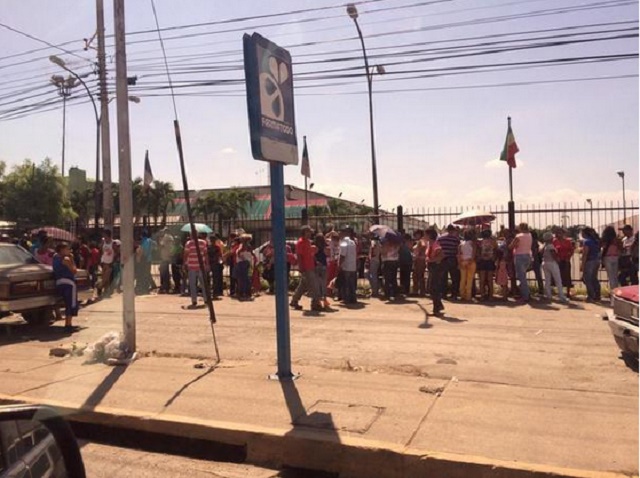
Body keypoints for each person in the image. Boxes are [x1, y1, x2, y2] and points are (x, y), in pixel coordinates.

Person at [290, 225, 321, 311]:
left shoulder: (307, 242)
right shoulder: (300, 242)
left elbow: (309, 254)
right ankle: (315, 304)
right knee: (315, 286)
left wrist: (314, 260)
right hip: (306, 267)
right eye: (309, 231)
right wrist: (301, 266)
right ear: (304, 232)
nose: (310, 233)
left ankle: (294, 301)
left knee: (303, 286)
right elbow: (299, 256)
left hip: (310, 266)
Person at [52, 242, 78, 331]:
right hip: (69, 283)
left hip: (59, 282)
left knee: (67, 303)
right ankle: (68, 324)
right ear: (62, 250)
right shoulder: (66, 259)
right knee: (71, 304)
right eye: (67, 249)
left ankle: (68, 324)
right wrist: (72, 260)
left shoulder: (55, 257)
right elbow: (74, 270)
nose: (69, 251)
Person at [183, 232, 209, 309]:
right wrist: (207, 264)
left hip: (192, 266)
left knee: (193, 284)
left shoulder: (188, 243)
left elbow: (186, 254)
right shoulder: (203, 242)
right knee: (203, 284)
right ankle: (206, 299)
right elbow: (205, 254)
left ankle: (194, 300)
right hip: (201, 266)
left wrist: (184, 263)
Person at [541, 232, 568, 303]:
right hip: (552, 263)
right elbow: (553, 254)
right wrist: (558, 260)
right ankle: (561, 296)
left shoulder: (544, 246)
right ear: (550, 238)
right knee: (558, 280)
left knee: (547, 280)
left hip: (545, 262)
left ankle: (548, 295)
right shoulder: (550, 246)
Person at [510, 223, 533, 303]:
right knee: (522, 276)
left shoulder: (519, 236)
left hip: (519, 256)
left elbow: (511, 246)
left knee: (521, 277)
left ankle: (525, 296)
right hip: (527, 256)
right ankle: (526, 293)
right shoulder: (529, 235)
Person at [437, 225, 461, 300]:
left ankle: (443, 294)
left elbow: (437, 248)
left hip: (443, 259)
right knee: (454, 278)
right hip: (452, 258)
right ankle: (454, 294)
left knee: (443, 278)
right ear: (453, 231)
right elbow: (458, 249)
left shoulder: (440, 238)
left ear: (447, 230)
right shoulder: (456, 239)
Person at [426, 228, 445, 314]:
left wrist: (431, 260)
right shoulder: (429, 244)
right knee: (432, 287)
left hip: (436, 267)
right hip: (432, 267)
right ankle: (438, 305)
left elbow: (441, 255)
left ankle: (436, 308)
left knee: (433, 288)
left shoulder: (435, 245)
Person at [600, 225, 621, 303]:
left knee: (611, 277)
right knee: (615, 277)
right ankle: (617, 296)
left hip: (607, 258)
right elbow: (620, 249)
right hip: (615, 257)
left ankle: (613, 298)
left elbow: (602, 249)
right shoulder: (616, 240)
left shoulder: (604, 240)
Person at [552, 228, 575, 299]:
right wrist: (556, 258)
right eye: (558, 233)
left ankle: (568, 292)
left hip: (566, 260)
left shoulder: (568, 241)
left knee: (567, 276)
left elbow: (571, 250)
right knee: (558, 276)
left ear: (563, 234)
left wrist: (569, 257)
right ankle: (560, 292)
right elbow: (552, 250)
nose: (559, 234)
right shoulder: (554, 241)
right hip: (557, 261)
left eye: (561, 233)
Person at [580, 227, 601, 302]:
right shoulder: (595, 241)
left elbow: (585, 254)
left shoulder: (586, 242)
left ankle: (591, 296)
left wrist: (582, 264)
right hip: (596, 261)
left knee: (587, 279)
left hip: (589, 261)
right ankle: (597, 294)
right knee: (594, 278)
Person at [339, 226, 358, 304]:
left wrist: (339, 265)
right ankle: (353, 298)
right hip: (352, 266)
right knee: (352, 284)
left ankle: (346, 299)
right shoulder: (352, 242)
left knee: (346, 283)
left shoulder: (344, 242)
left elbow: (343, 255)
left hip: (346, 266)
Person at [477, 229, 497, 301]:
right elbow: (496, 250)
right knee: (490, 279)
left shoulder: (480, 242)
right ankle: (490, 296)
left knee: (482, 279)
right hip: (490, 261)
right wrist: (494, 258)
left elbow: (478, 251)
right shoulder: (493, 241)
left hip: (482, 261)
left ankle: (482, 295)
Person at [458, 229, 477, 301]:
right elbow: (474, 253)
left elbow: (459, 254)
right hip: (470, 262)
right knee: (469, 279)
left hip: (463, 261)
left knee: (462, 279)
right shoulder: (473, 243)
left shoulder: (461, 244)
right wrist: (471, 260)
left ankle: (462, 294)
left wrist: (459, 263)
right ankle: (468, 296)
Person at [235, 234, 254, 300]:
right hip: (244, 263)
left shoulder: (244, 246)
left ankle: (243, 293)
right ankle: (245, 293)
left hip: (243, 263)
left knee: (243, 278)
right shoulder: (246, 246)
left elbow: (239, 253)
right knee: (245, 278)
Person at [380, 236, 400, 301]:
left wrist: (383, 249)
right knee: (393, 278)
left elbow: (384, 253)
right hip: (395, 262)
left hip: (387, 262)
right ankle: (394, 293)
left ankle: (387, 294)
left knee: (387, 278)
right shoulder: (396, 245)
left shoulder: (386, 245)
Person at [314, 233, 330, 309]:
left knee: (317, 284)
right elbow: (328, 254)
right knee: (323, 284)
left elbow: (312, 255)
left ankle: (318, 301)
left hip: (316, 266)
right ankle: (325, 300)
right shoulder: (325, 246)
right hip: (323, 265)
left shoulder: (314, 246)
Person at [100, 230, 115, 298]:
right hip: (103, 262)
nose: (104, 237)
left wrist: (113, 261)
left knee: (106, 278)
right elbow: (101, 250)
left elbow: (116, 252)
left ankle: (99, 287)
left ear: (109, 236)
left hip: (110, 263)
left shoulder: (113, 243)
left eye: (105, 236)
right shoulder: (103, 242)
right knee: (105, 278)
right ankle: (106, 292)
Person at [158, 229, 174, 294]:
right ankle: (167, 286)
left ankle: (165, 286)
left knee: (163, 272)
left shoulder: (166, 237)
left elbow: (162, 245)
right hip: (167, 256)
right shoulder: (171, 237)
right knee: (165, 272)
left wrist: (159, 240)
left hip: (165, 257)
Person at [412, 230, 427, 297]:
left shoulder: (421, 241)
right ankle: (419, 291)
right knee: (417, 275)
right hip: (418, 259)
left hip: (420, 260)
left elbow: (423, 247)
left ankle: (419, 291)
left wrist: (418, 253)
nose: (415, 236)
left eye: (416, 234)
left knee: (418, 275)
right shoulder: (419, 241)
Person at [530, 231, 544, 296]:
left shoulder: (532, 242)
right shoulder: (537, 242)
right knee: (538, 275)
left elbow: (534, 251)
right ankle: (541, 290)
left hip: (533, 259)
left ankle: (541, 290)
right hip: (536, 259)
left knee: (522, 273)